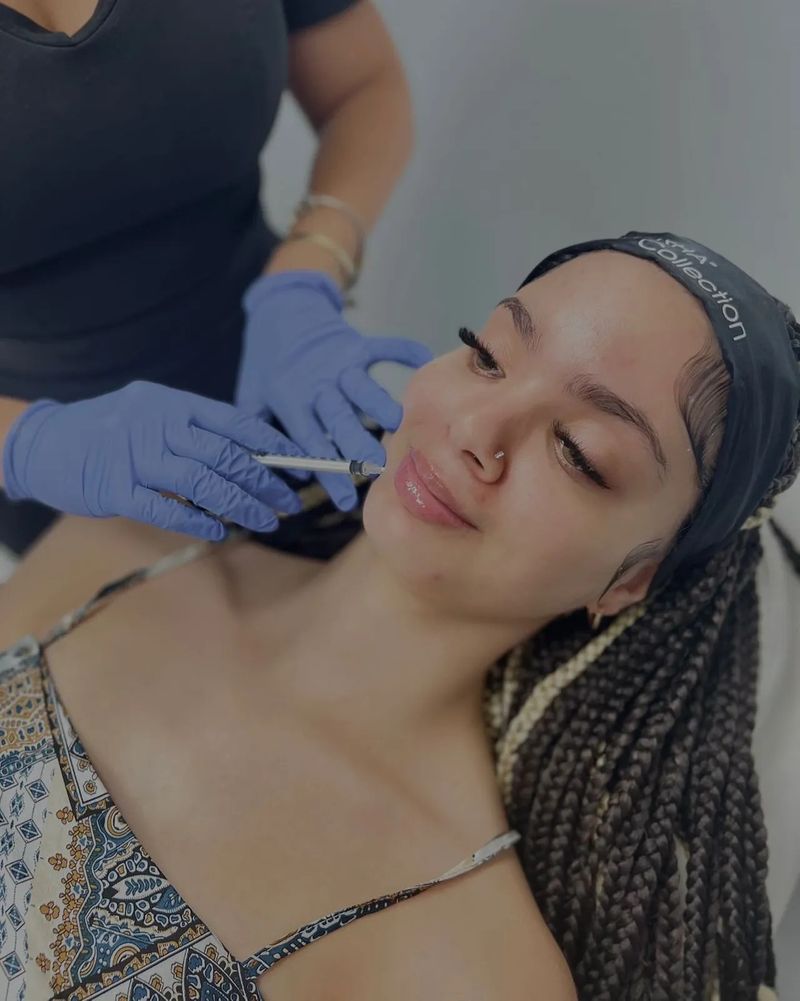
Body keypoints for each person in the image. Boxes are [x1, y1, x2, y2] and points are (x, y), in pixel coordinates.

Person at [0, 231, 798, 1001]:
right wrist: (22, 442)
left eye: (579, 452)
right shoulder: (126, 545)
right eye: (487, 355)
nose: (474, 430)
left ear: (634, 581)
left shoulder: (465, 965)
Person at [0, 0, 432, 556]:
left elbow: (365, 89)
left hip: (299, 399)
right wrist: (29, 446)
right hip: (72, 480)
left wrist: (307, 271)